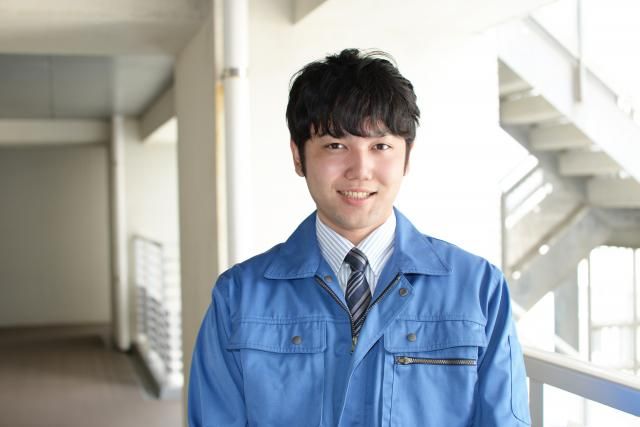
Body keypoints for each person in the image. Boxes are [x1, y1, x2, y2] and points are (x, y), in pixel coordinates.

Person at [188, 48, 531, 427]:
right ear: (298, 156)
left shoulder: (479, 288)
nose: (360, 170)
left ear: (407, 156)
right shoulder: (238, 296)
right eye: (335, 145)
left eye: (380, 146)